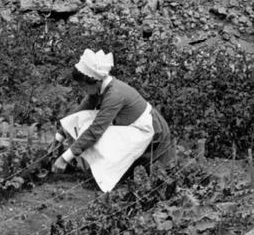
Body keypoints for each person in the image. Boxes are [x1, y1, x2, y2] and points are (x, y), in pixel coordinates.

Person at [53, 49, 175, 193]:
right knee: (84, 120)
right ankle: (112, 174)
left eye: (83, 86)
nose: (82, 89)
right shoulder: (100, 88)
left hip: (150, 130)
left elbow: (95, 131)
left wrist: (64, 158)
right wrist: (59, 137)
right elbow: (80, 111)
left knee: (100, 138)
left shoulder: (114, 94)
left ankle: (109, 177)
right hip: (131, 125)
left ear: (94, 81)